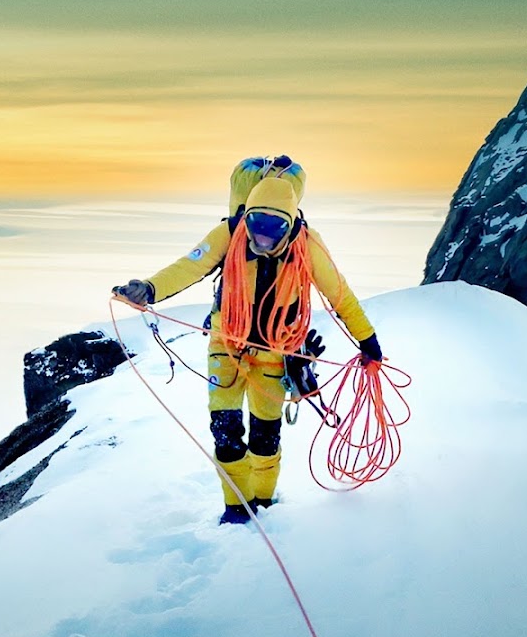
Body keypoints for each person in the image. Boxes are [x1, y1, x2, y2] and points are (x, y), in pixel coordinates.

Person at [113, 156, 382, 524]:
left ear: (290, 223)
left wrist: (368, 341)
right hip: (226, 345)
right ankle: (236, 506)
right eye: (256, 224)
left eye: (274, 228)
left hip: (276, 350)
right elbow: (190, 265)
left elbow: (341, 295)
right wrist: (150, 288)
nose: (262, 237)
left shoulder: (308, 246)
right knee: (224, 433)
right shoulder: (231, 231)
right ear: (248, 214)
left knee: (264, 436)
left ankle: (264, 504)